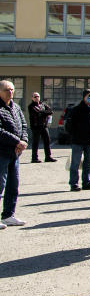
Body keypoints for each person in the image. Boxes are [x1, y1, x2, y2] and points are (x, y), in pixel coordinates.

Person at [0, 80, 29, 229]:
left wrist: (23, 141)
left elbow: (23, 125)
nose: (10, 92)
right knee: (0, 184)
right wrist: (17, 141)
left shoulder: (16, 107)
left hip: (14, 154)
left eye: (12, 89)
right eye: (6, 90)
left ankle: (8, 215)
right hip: (2, 152)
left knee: (13, 185)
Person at [67, 89, 90, 191]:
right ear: (84, 97)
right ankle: (74, 183)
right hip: (78, 141)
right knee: (75, 163)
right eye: (89, 95)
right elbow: (69, 126)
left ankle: (86, 182)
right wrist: (74, 136)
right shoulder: (76, 109)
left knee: (88, 163)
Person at [27, 92, 55, 163]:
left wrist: (43, 113)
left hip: (44, 126)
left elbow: (50, 111)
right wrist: (44, 113)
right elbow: (37, 113)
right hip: (36, 127)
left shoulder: (43, 104)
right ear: (32, 98)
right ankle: (34, 158)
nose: (37, 98)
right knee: (35, 142)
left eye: (38, 96)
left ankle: (48, 157)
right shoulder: (31, 106)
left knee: (47, 141)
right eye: (35, 97)